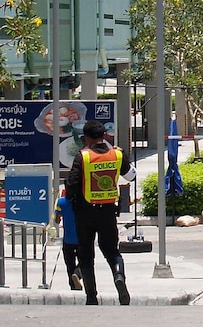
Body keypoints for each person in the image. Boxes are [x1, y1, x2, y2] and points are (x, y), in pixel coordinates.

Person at [65, 120, 136, 305]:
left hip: (85, 212)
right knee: (112, 251)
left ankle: (91, 297)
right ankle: (119, 276)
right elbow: (132, 176)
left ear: (87, 138)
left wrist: (71, 199)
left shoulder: (83, 156)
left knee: (86, 254)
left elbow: (71, 184)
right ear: (104, 135)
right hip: (108, 211)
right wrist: (124, 156)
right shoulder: (117, 155)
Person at [54, 186, 82, 290]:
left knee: (70, 264)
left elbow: (57, 221)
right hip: (82, 238)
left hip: (68, 239)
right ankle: (78, 275)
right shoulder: (83, 201)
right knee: (85, 261)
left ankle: (73, 287)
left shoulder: (61, 202)